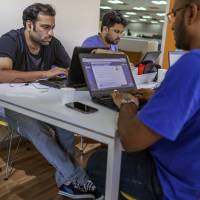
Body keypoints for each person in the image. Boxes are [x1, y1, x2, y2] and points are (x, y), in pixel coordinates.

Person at [86, 0, 200, 199]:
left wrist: (127, 102)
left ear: (191, 13)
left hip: (174, 184)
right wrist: (159, 96)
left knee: (94, 161)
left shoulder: (192, 64)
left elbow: (131, 140)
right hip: (192, 176)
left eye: (174, 14)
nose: (172, 24)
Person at [0, 3, 103, 200]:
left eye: (52, 27)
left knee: (64, 124)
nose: (50, 32)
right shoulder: (10, 40)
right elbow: (2, 75)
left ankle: (66, 182)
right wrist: (46, 73)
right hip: (8, 103)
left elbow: (70, 67)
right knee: (37, 128)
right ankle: (77, 178)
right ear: (29, 25)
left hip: (37, 100)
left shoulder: (51, 43)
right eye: (45, 27)